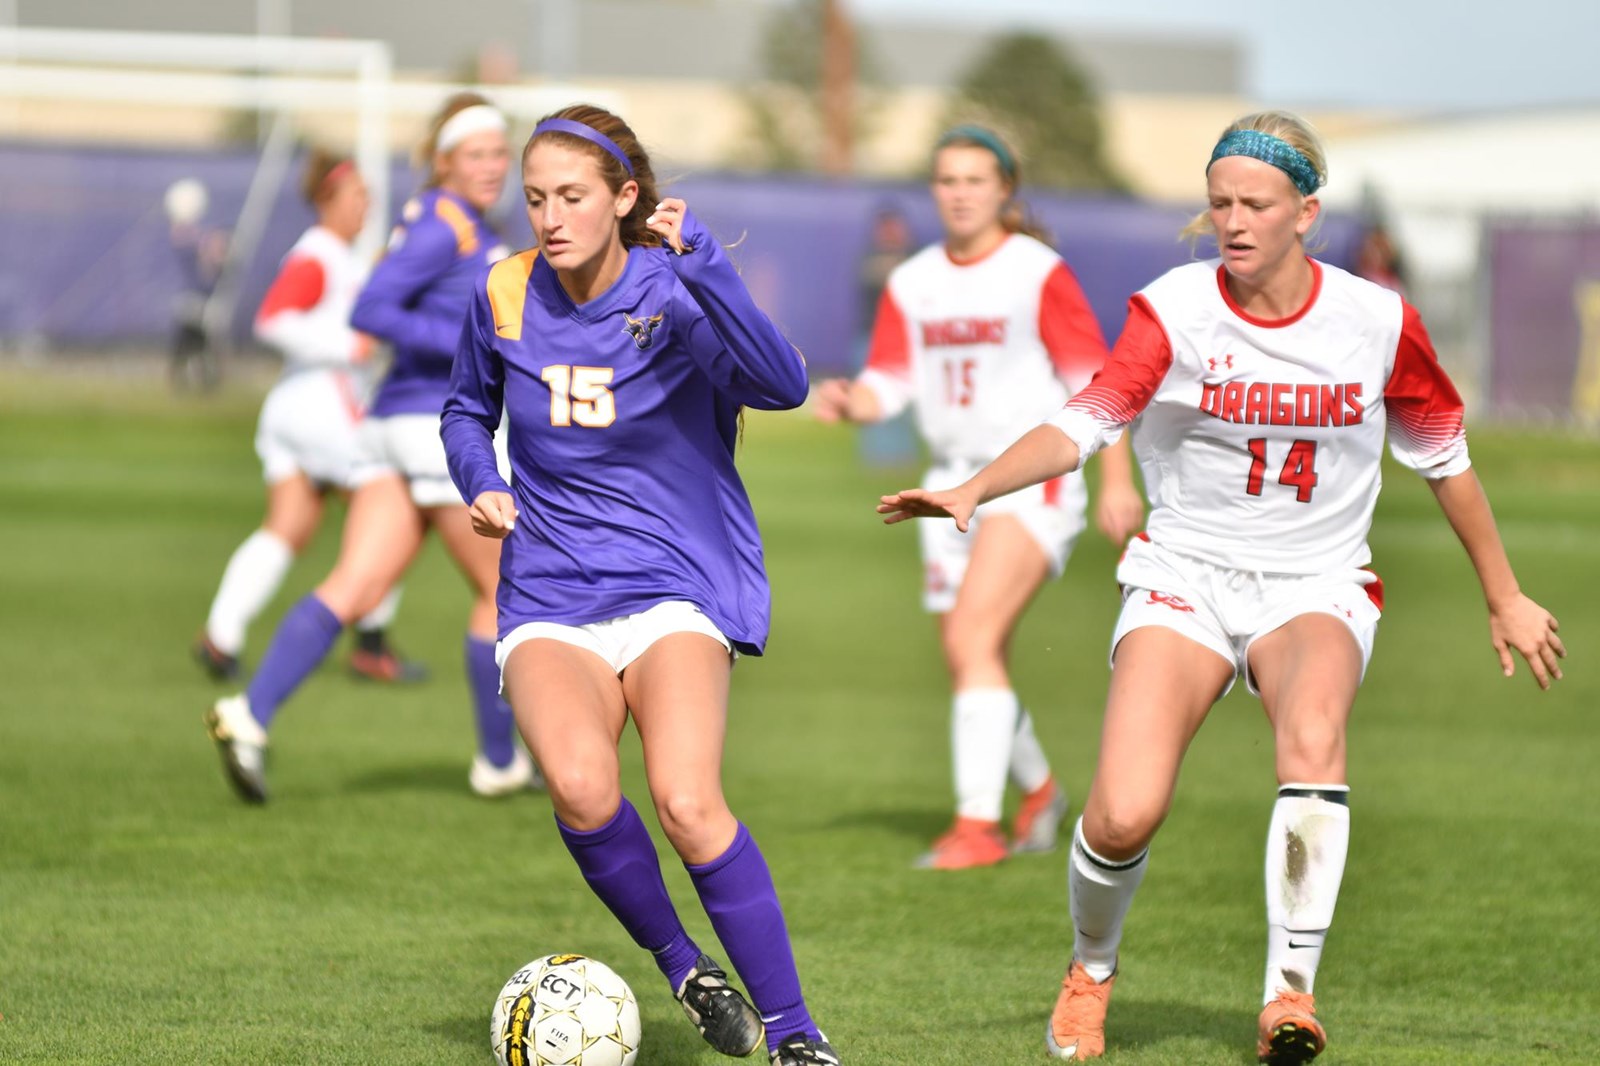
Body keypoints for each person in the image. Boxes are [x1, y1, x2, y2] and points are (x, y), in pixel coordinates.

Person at [877, 110, 1565, 1063]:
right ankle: (1091, 970)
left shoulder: (1375, 321)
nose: (1234, 221)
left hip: (1316, 582)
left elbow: (1446, 458)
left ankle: (1290, 997)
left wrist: (1505, 593)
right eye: (1219, 202)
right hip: (1184, 578)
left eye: (1256, 203)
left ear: (1307, 212)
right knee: (1121, 813)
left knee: (1314, 740)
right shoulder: (1177, 309)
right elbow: (1084, 422)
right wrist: (973, 487)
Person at [440, 104, 839, 1066]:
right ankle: (683, 968)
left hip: (675, 587)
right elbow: (463, 408)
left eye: (572, 196)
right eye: (535, 197)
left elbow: (782, 385)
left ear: (625, 199)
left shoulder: (675, 288)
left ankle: (795, 1034)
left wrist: (704, 260)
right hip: (549, 590)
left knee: (688, 802)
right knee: (579, 788)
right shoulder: (501, 290)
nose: (549, 216)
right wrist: (483, 483)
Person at [814, 124, 1144, 871]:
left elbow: (1096, 384)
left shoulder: (1036, 272)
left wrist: (1119, 482)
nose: (959, 193)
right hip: (944, 486)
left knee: (970, 641)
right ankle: (1040, 793)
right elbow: (891, 381)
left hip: (1032, 480)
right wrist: (854, 399)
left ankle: (975, 829)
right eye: (947, 180)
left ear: (1004, 190)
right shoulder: (913, 281)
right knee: (972, 656)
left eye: (974, 180)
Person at [206, 93, 535, 802]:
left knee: (353, 588)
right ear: (444, 162)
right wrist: (465, 344)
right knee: (502, 589)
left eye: (497, 153)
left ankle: (249, 714)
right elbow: (373, 309)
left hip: (390, 427)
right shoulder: (446, 222)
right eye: (474, 154)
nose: (490, 166)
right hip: (433, 430)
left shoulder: (461, 222)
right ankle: (499, 759)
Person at [193, 149, 425, 686]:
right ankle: (370, 643)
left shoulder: (341, 255)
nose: (366, 204)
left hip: (292, 408)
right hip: (324, 405)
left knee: (287, 527)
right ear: (327, 200)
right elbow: (272, 320)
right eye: (356, 195)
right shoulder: (319, 253)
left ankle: (220, 637)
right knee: (392, 507)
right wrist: (351, 346)